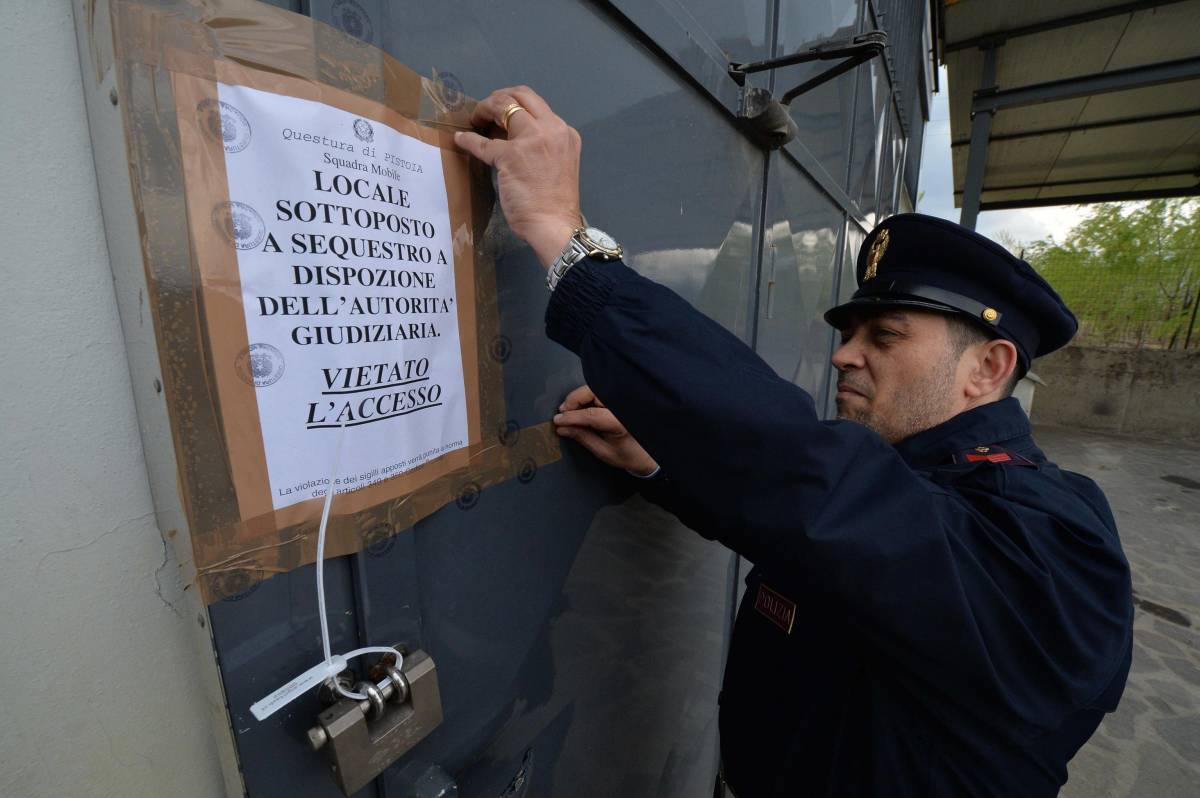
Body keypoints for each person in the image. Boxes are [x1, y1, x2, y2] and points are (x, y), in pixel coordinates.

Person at [454, 86, 1133, 797]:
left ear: (988, 368)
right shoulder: (914, 486)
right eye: (847, 335)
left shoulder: (1054, 544)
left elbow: (829, 495)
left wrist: (567, 240)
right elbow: (822, 538)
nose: (843, 356)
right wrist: (659, 465)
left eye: (885, 336)